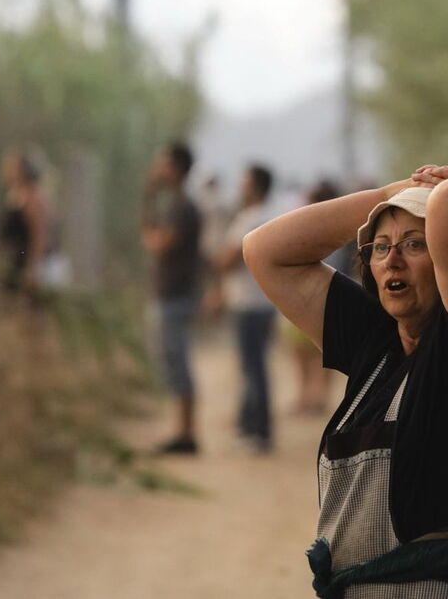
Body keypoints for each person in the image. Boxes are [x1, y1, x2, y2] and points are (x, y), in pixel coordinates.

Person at [243, 165, 448, 598]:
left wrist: (444, 187)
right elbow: (263, 249)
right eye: (380, 247)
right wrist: (392, 192)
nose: (392, 259)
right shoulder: (375, 346)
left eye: (414, 244)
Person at [141, 142, 204, 455]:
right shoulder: (177, 205)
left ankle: (187, 434)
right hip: (172, 295)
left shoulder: (183, 208)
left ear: (177, 168)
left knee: (177, 362)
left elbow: (159, 244)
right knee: (172, 361)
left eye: (163, 163)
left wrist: (148, 202)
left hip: (175, 297)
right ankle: (183, 432)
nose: (158, 169)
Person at [216, 164, 277, 453]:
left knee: (252, 367)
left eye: (244, 180)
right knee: (256, 364)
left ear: (255, 186)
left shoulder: (249, 219)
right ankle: (250, 426)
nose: (240, 185)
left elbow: (227, 258)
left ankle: (258, 431)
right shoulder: (272, 215)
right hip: (264, 301)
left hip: (248, 303)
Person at [283, 180, 344, 415]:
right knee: (322, 353)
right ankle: (315, 397)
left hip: (309, 300)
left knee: (307, 352)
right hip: (329, 301)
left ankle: (309, 396)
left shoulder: (314, 234)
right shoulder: (340, 234)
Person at [0, 147, 52, 299]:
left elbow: (40, 235)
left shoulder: (35, 198)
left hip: (31, 265)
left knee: (33, 315)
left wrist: (33, 267)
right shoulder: (15, 195)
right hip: (16, 263)